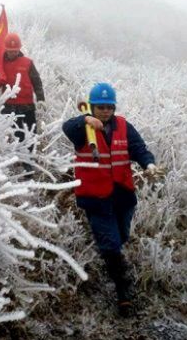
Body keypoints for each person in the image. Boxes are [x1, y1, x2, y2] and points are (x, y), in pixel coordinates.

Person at [62, 82, 160, 317]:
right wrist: (85, 121)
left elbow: (138, 148)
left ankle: (110, 254)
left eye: (109, 107)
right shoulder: (82, 130)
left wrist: (149, 163)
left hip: (123, 195)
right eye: (100, 107)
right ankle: (123, 290)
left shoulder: (124, 127)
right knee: (111, 245)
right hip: (96, 198)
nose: (105, 111)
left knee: (122, 235)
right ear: (93, 107)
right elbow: (67, 127)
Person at [0, 32, 45, 144]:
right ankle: (14, 161)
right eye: (10, 51)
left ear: (19, 49)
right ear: (5, 49)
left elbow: (37, 82)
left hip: (27, 108)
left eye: (15, 50)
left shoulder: (28, 63)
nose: (13, 53)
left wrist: (41, 99)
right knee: (11, 140)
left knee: (30, 139)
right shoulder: (0, 64)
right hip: (8, 108)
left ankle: (28, 161)